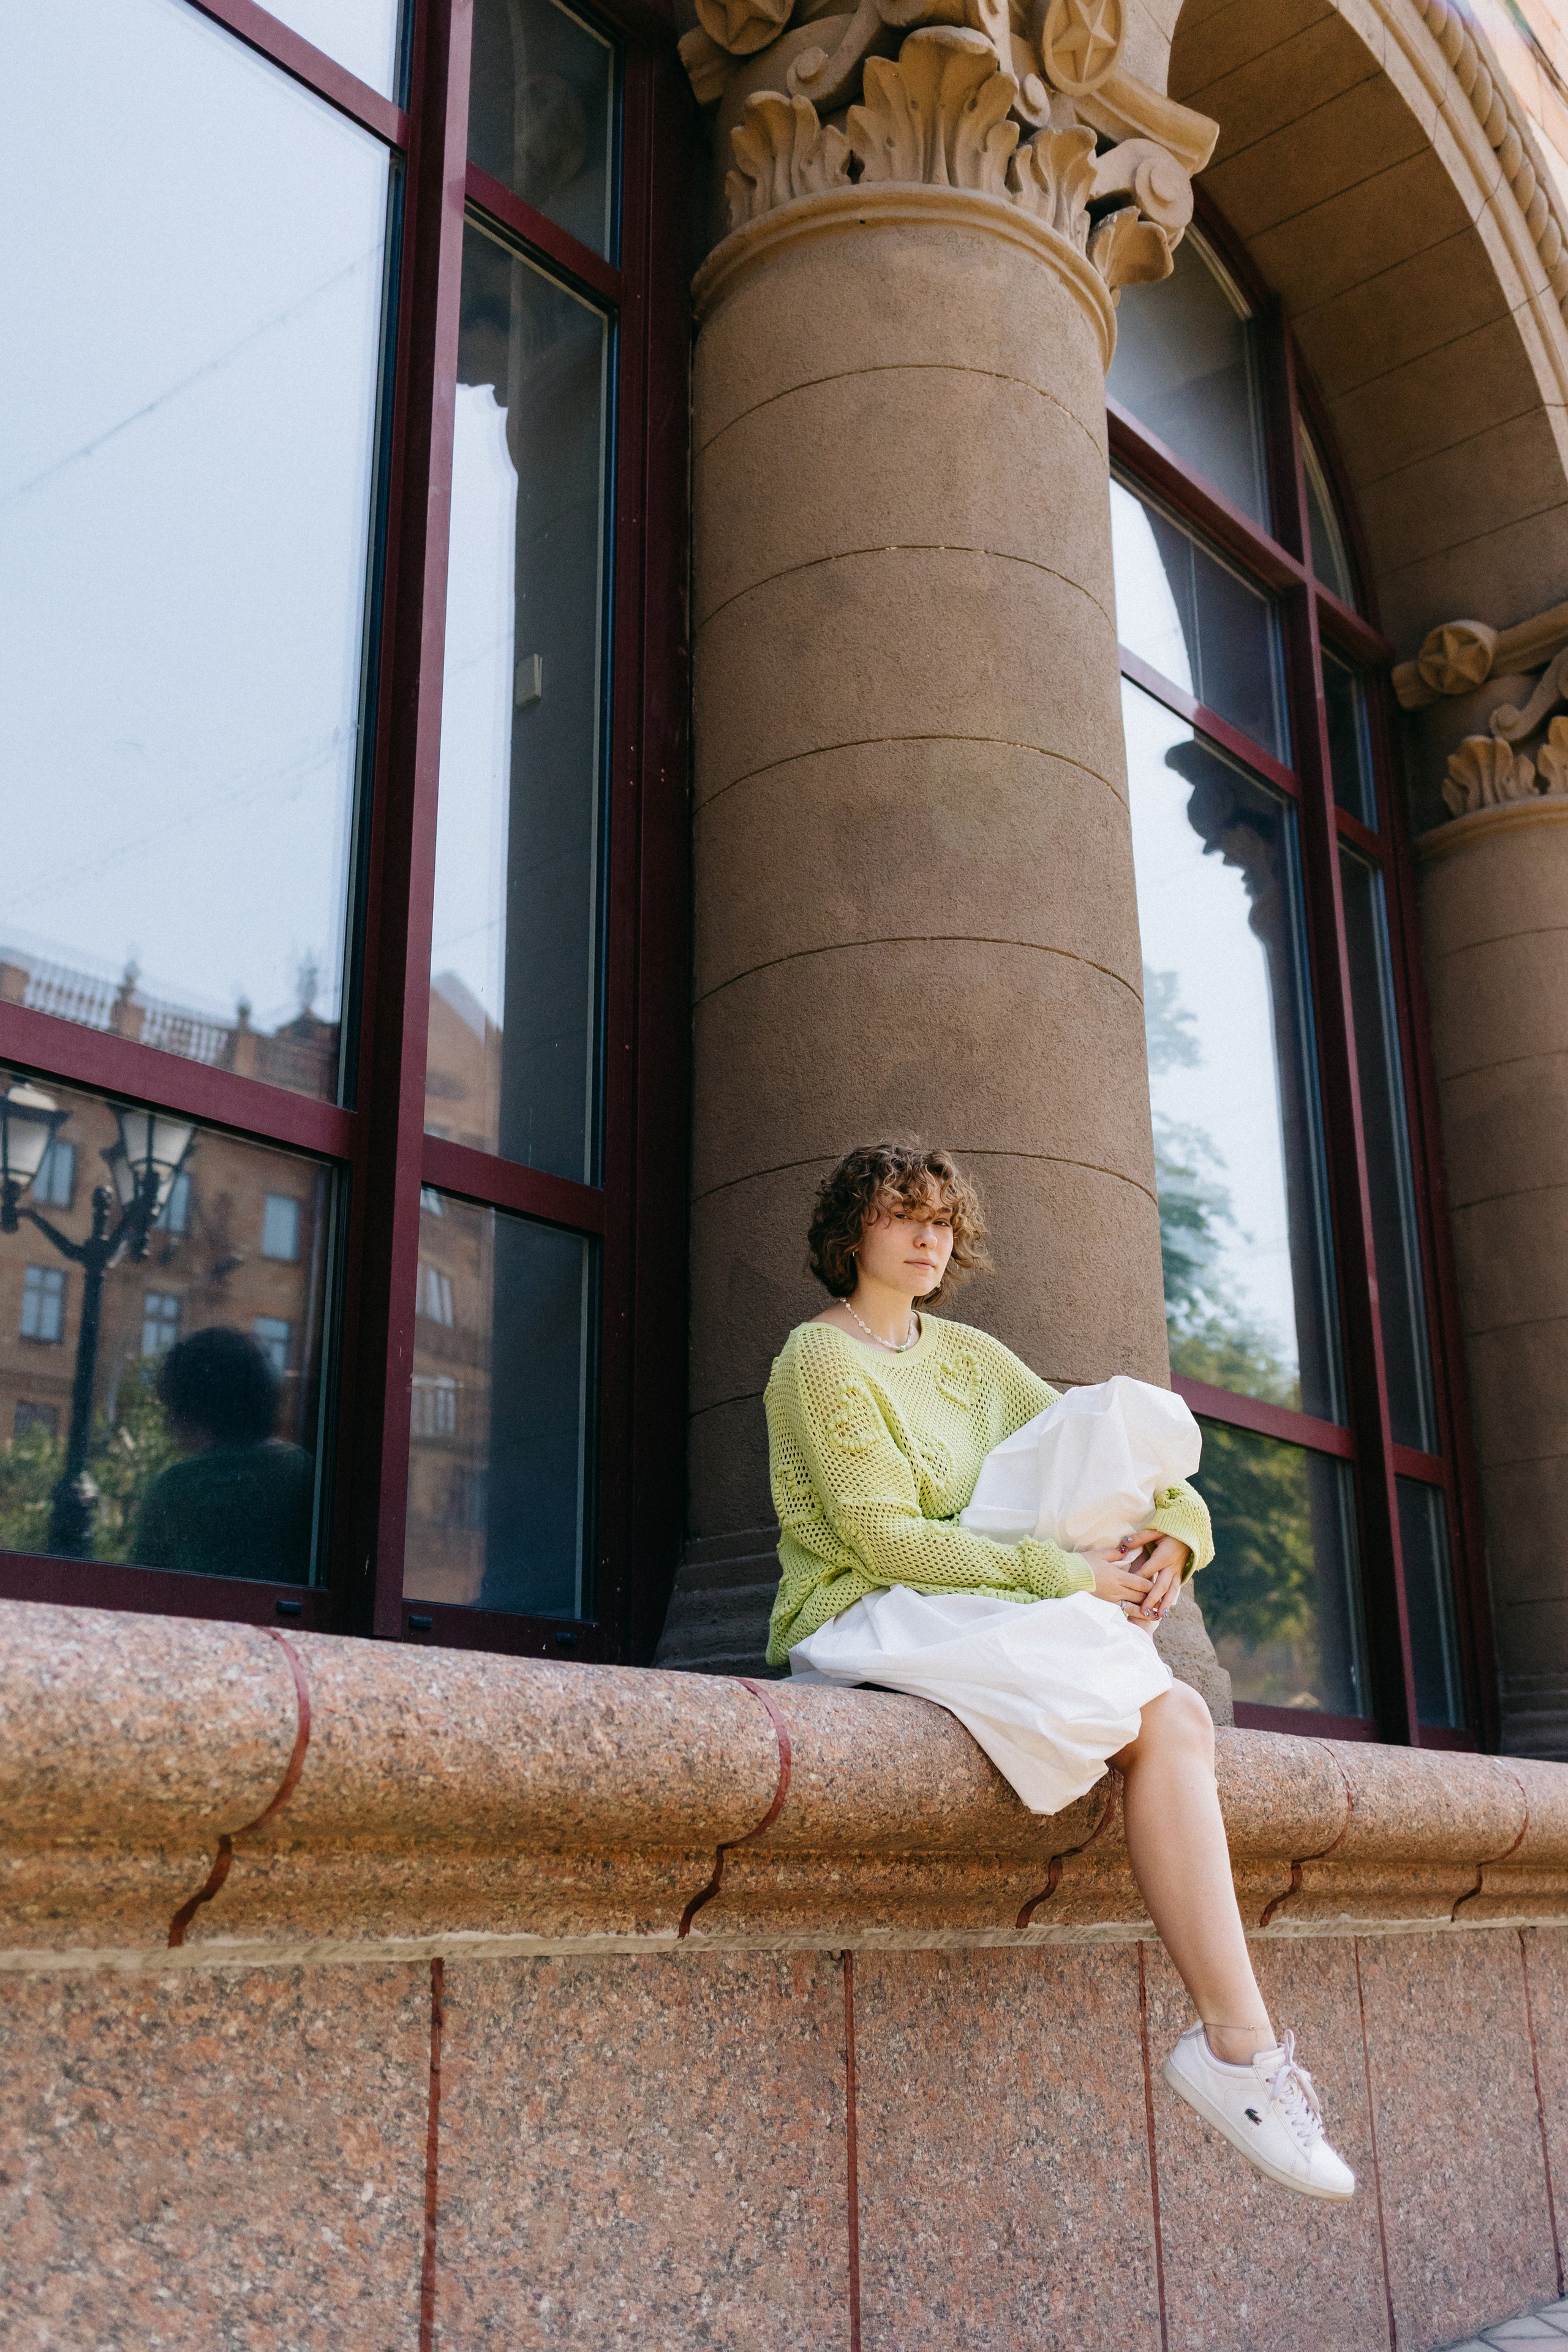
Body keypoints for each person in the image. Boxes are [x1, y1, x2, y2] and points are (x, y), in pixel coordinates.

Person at [766, 1141, 1354, 2203]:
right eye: (904, 1215)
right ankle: (1242, 2058)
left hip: (976, 1606)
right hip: (870, 1612)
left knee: (1172, 1709)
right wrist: (1065, 1577)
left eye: (943, 1220)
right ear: (852, 1232)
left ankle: (1239, 2054)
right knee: (1156, 1705)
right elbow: (882, 1536)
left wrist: (1179, 1532)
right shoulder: (820, 1359)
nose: (929, 1236)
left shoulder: (968, 1356)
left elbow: (1093, 1444)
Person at [132, 1327, 314, 1584]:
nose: (168, 1422)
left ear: (190, 1408)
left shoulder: (175, 1490)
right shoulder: (301, 1470)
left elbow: (141, 1588)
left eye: (172, 1407)